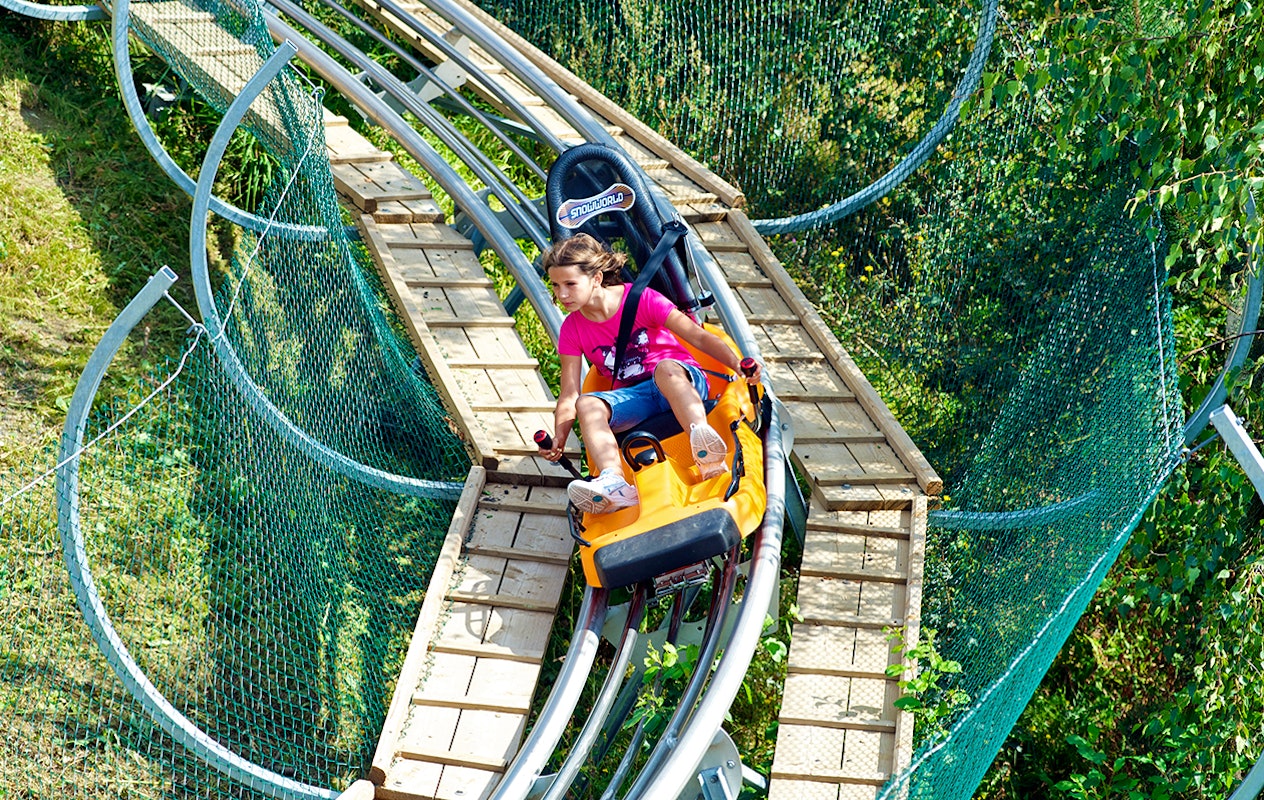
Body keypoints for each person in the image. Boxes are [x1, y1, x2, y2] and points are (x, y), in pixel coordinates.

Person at [536, 233, 761, 514]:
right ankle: (614, 483)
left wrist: (738, 364)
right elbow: (570, 393)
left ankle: (705, 450)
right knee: (587, 403)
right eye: (556, 285)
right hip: (637, 397)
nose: (562, 295)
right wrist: (559, 437)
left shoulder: (641, 299)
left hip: (680, 379)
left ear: (596, 278)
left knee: (665, 370)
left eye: (570, 284)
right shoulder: (572, 329)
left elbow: (697, 336)